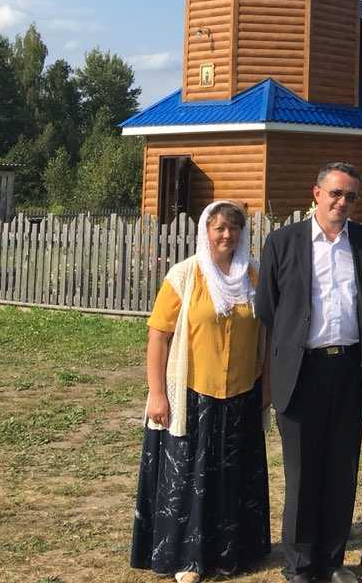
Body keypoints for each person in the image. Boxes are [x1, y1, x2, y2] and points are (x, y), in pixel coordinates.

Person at [255, 162, 362, 583]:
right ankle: (298, 564)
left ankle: (331, 560)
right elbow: (267, 308)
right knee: (302, 471)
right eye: (335, 194)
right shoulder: (283, 241)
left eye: (350, 196)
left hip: (349, 369)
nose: (342, 203)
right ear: (316, 193)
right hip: (301, 371)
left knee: (342, 468)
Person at [130, 200, 270, 583]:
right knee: (190, 480)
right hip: (192, 396)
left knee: (232, 478)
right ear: (205, 231)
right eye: (219, 227)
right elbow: (158, 337)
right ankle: (186, 560)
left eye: (234, 228)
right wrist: (158, 393)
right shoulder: (184, 276)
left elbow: (266, 337)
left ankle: (231, 555)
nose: (227, 234)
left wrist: (266, 388)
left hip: (240, 394)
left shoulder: (254, 277)